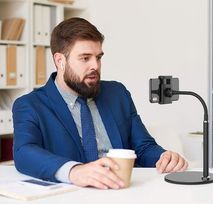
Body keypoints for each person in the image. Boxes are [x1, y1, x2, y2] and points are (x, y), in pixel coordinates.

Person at [12, 17, 188, 190]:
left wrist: (164, 157)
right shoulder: (30, 105)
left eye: (98, 57)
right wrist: (74, 171)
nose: (95, 66)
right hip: (71, 196)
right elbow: (24, 152)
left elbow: (143, 147)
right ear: (60, 61)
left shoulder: (117, 94)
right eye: (85, 58)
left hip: (123, 192)